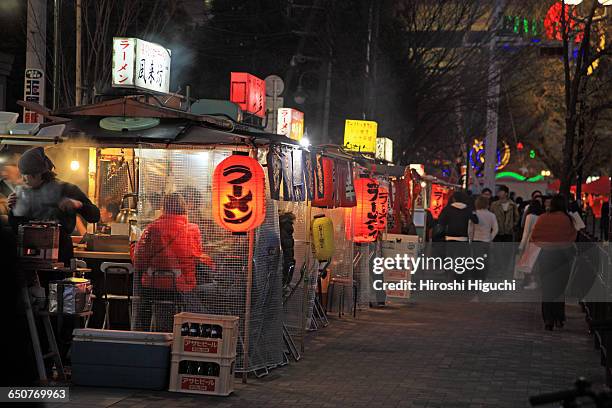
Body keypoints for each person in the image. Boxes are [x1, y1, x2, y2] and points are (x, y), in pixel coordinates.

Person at [133, 192, 213, 331]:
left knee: (144, 303)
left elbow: (139, 260)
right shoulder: (192, 229)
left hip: (153, 287)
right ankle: (187, 335)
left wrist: (132, 245)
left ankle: (143, 335)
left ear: (164, 208)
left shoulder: (152, 228)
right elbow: (197, 254)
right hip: (181, 288)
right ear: (184, 208)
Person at [7, 147, 100, 265]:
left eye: (26, 175)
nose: (23, 179)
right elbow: (15, 227)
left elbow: (95, 216)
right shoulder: (24, 193)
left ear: (38, 174)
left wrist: (79, 205)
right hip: (29, 255)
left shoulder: (67, 189)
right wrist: (12, 209)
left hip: (60, 255)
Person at [530, 195, 577, 331]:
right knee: (560, 288)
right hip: (563, 256)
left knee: (547, 287)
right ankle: (559, 317)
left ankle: (548, 319)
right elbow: (573, 236)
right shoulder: (567, 219)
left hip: (546, 255)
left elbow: (535, 236)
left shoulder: (543, 218)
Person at [438, 191, 478, 281]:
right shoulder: (468, 209)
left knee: (450, 258)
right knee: (461, 259)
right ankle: (459, 278)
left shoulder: (448, 209)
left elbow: (441, 222)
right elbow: (476, 220)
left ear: (453, 199)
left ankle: (449, 277)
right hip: (463, 238)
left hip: (450, 237)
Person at [469, 196, 498, 280]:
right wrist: (490, 237)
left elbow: (470, 229)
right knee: (485, 260)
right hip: (486, 242)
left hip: (476, 240)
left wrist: (470, 239)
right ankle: (483, 277)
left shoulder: (474, 214)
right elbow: (496, 229)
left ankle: (475, 278)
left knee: (476, 260)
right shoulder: (491, 215)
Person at [518, 200, 544, 289]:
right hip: (540, 241)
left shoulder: (529, 216)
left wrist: (521, 245)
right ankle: (535, 282)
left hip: (530, 241)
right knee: (535, 262)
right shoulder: (542, 216)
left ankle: (530, 282)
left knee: (528, 263)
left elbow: (526, 232)